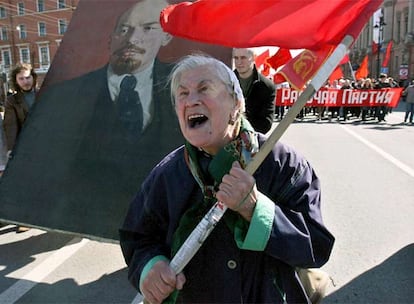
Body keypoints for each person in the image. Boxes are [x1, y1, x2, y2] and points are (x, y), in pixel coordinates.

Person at [120, 55, 334, 303]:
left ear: (236, 102)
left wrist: (255, 210)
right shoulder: (167, 174)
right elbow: (137, 237)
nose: (191, 101)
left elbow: (316, 246)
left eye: (204, 89)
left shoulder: (283, 164)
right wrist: (150, 268)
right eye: (183, 94)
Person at [0, 0, 183, 239]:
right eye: (124, 29)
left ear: (165, 37)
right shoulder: (63, 95)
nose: (132, 39)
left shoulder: (181, 87)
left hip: (157, 220)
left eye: (148, 28)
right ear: (111, 38)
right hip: (88, 212)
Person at [233, 48, 275, 134]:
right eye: (236, 58)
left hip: (252, 139)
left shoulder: (266, 86)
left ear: (253, 58)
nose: (239, 62)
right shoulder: (226, 82)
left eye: (243, 58)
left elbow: (265, 124)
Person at [3, 63, 37, 152]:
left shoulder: (44, 94)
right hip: (27, 144)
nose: (25, 82)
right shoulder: (12, 101)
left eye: (28, 77)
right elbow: (11, 126)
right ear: (16, 81)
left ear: (33, 77)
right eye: (21, 79)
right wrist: (11, 148)